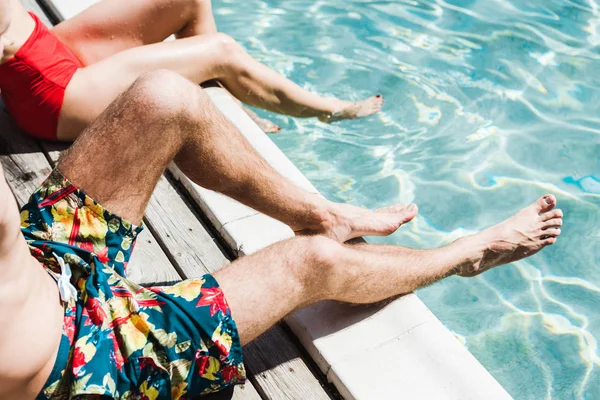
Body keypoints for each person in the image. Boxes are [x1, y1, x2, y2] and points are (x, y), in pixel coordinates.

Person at [0, 70, 563, 399]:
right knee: (310, 263)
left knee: (164, 98)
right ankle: (468, 253)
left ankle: (319, 212)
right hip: (78, 361)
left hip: (49, 263)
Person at [0, 0, 383, 141]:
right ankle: (327, 110)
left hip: (43, 47)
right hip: (53, 96)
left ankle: (227, 100)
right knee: (223, 51)